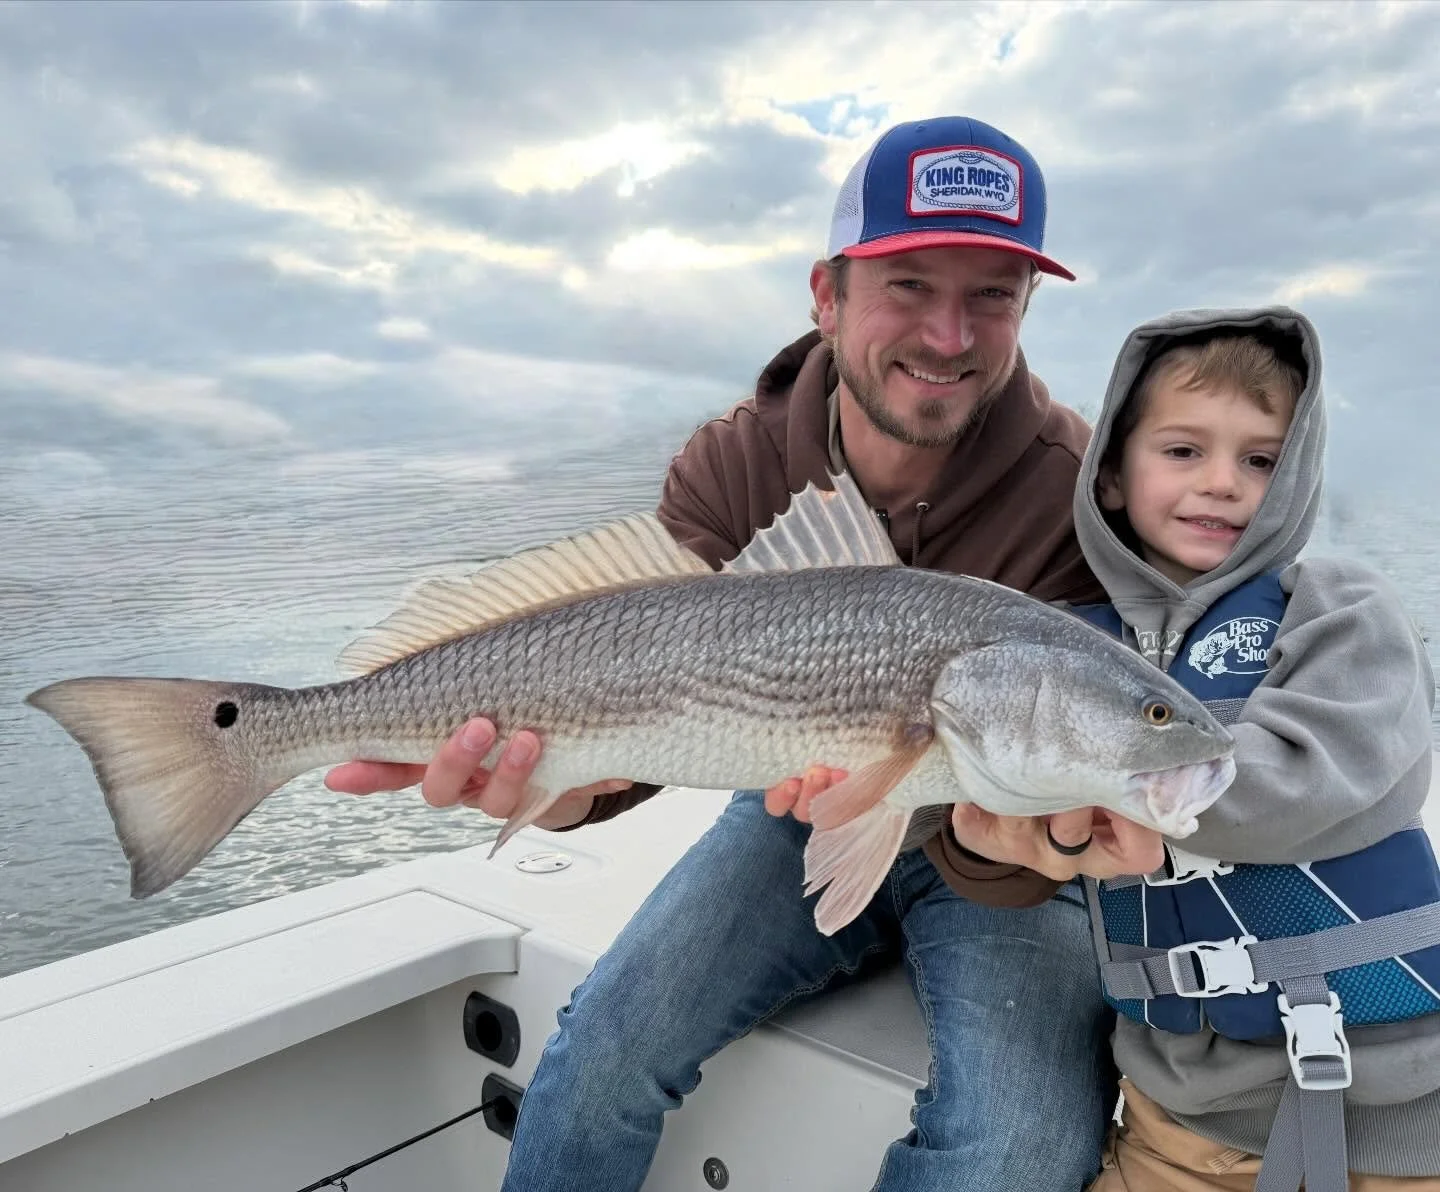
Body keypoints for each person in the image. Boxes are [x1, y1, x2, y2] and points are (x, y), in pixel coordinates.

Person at [327, 116, 1160, 1190]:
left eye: (992, 293)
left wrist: (1059, 836)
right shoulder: (735, 460)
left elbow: (1083, 761)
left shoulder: (1086, 493)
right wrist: (554, 787)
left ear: (1026, 308)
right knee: (597, 1054)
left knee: (1016, 1148)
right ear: (828, 293)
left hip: (996, 855)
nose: (950, 335)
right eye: (908, 283)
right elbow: (630, 706)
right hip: (782, 804)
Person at [1061, 308, 1440, 1190]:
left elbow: (1312, 777)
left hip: (1395, 1116)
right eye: (1184, 451)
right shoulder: (1069, 648)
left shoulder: (1344, 608)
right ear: (1112, 475)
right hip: (1175, 1125)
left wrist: (1092, 786)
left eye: (1262, 459)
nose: (1225, 483)